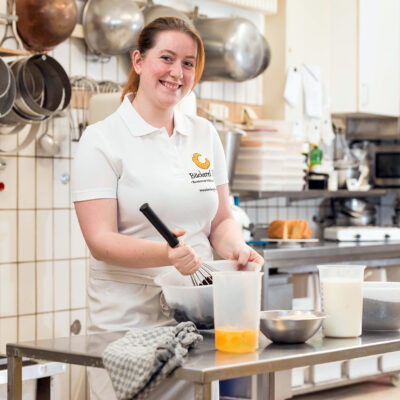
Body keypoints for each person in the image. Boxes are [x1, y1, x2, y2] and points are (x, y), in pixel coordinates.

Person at [72, 16, 264, 400]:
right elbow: (100, 240)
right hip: (129, 323)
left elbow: (221, 219)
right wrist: (166, 254)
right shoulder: (102, 140)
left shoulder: (204, 134)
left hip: (199, 317)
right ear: (139, 61)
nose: (178, 72)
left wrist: (235, 248)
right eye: (167, 58)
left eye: (189, 63)